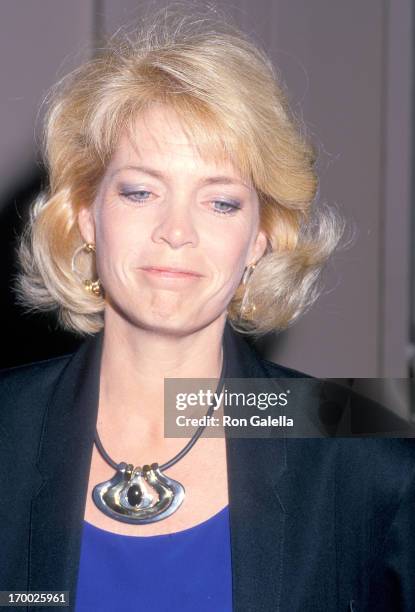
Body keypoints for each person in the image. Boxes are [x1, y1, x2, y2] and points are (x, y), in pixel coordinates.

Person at [1, 7, 415, 612]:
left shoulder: (357, 442)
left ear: (260, 238)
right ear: (87, 217)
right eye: (141, 192)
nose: (176, 231)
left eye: (220, 203)